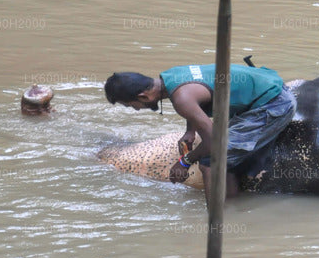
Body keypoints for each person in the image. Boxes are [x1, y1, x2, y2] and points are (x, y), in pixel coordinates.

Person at [103, 63, 296, 201]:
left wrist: (184, 162)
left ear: (143, 96)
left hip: (274, 103)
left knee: (210, 163)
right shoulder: (171, 76)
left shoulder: (181, 101)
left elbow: (215, 141)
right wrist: (190, 131)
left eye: (131, 106)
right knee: (222, 156)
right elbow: (199, 95)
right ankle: (232, 202)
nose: (136, 110)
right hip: (268, 88)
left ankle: (219, 219)